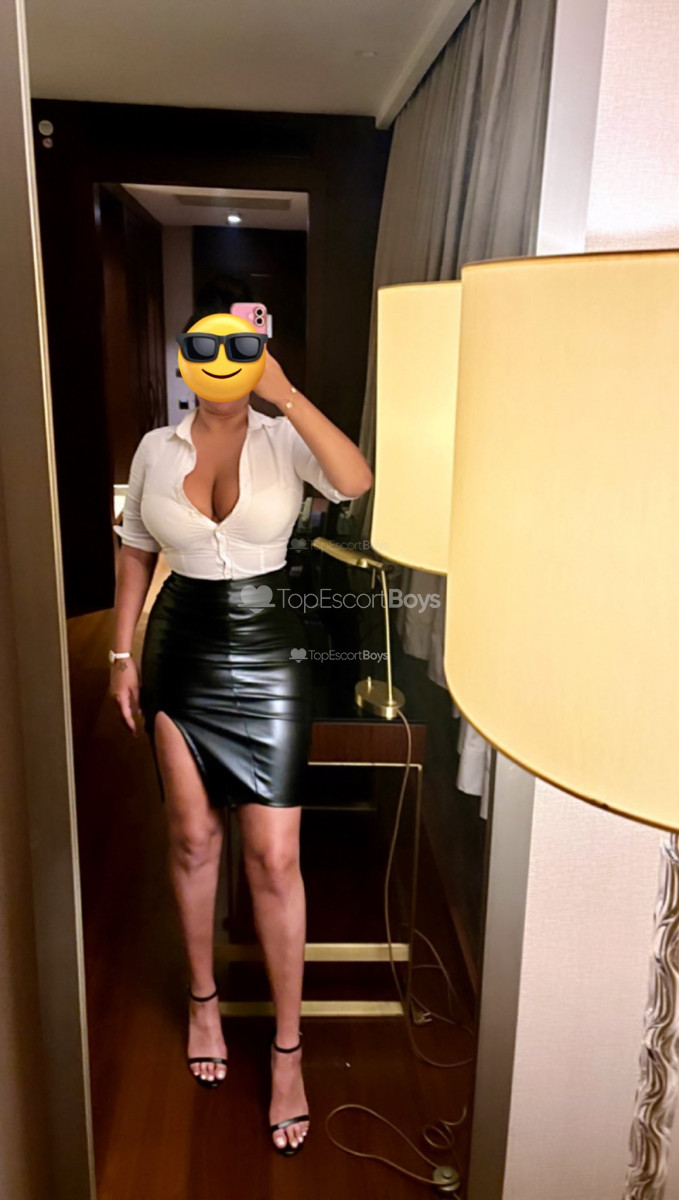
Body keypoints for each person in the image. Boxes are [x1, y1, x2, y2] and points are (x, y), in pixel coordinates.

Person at [109, 291, 372, 1157]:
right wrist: (120, 654)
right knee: (191, 839)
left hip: (269, 650)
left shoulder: (283, 437)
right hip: (180, 645)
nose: (220, 363)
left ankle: (288, 1050)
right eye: (205, 348)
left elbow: (355, 480)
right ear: (186, 360)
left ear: (258, 356)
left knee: (274, 856)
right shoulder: (156, 447)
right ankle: (203, 1002)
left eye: (239, 349)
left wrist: (284, 391)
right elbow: (135, 552)